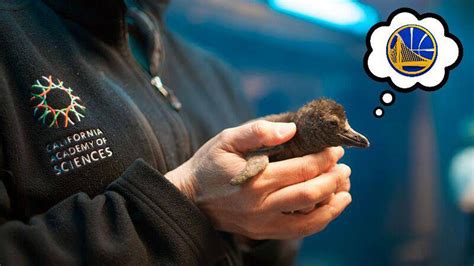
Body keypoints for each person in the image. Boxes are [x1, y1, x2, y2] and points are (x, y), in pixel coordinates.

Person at [0, 0, 352, 265]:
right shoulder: (11, 45)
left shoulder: (216, 77)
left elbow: (271, 257)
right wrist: (185, 199)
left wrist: (275, 217)